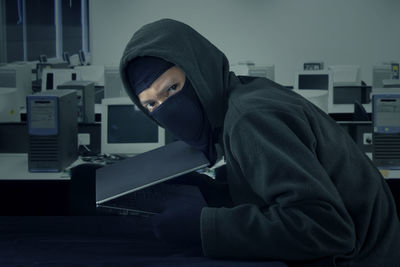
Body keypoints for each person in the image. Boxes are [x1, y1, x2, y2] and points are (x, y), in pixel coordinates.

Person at [119, 18, 400, 266]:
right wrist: (216, 192)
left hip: (361, 258)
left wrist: (205, 227)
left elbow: (327, 229)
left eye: (172, 88)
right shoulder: (243, 94)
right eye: (152, 105)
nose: (167, 109)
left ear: (198, 68)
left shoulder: (248, 119)